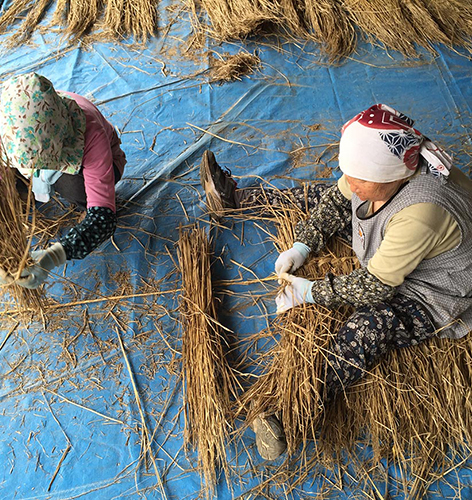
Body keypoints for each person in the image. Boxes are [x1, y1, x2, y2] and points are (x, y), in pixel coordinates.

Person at [200, 104, 472, 460]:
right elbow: (337, 198)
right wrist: (303, 244)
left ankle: (293, 412)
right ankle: (236, 200)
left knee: (373, 325)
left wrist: (310, 292)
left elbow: (375, 286)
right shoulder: (382, 169)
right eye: (350, 172)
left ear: (391, 176)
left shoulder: (422, 212)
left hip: (435, 288)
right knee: (321, 197)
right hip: (400, 244)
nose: (351, 183)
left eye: (360, 178)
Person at [0, 72, 127, 290]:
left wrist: (53, 256)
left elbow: (103, 217)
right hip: (27, 169)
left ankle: (61, 184)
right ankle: (28, 185)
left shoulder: (89, 129)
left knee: (76, 190)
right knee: (6, 193)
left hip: (85, 167)